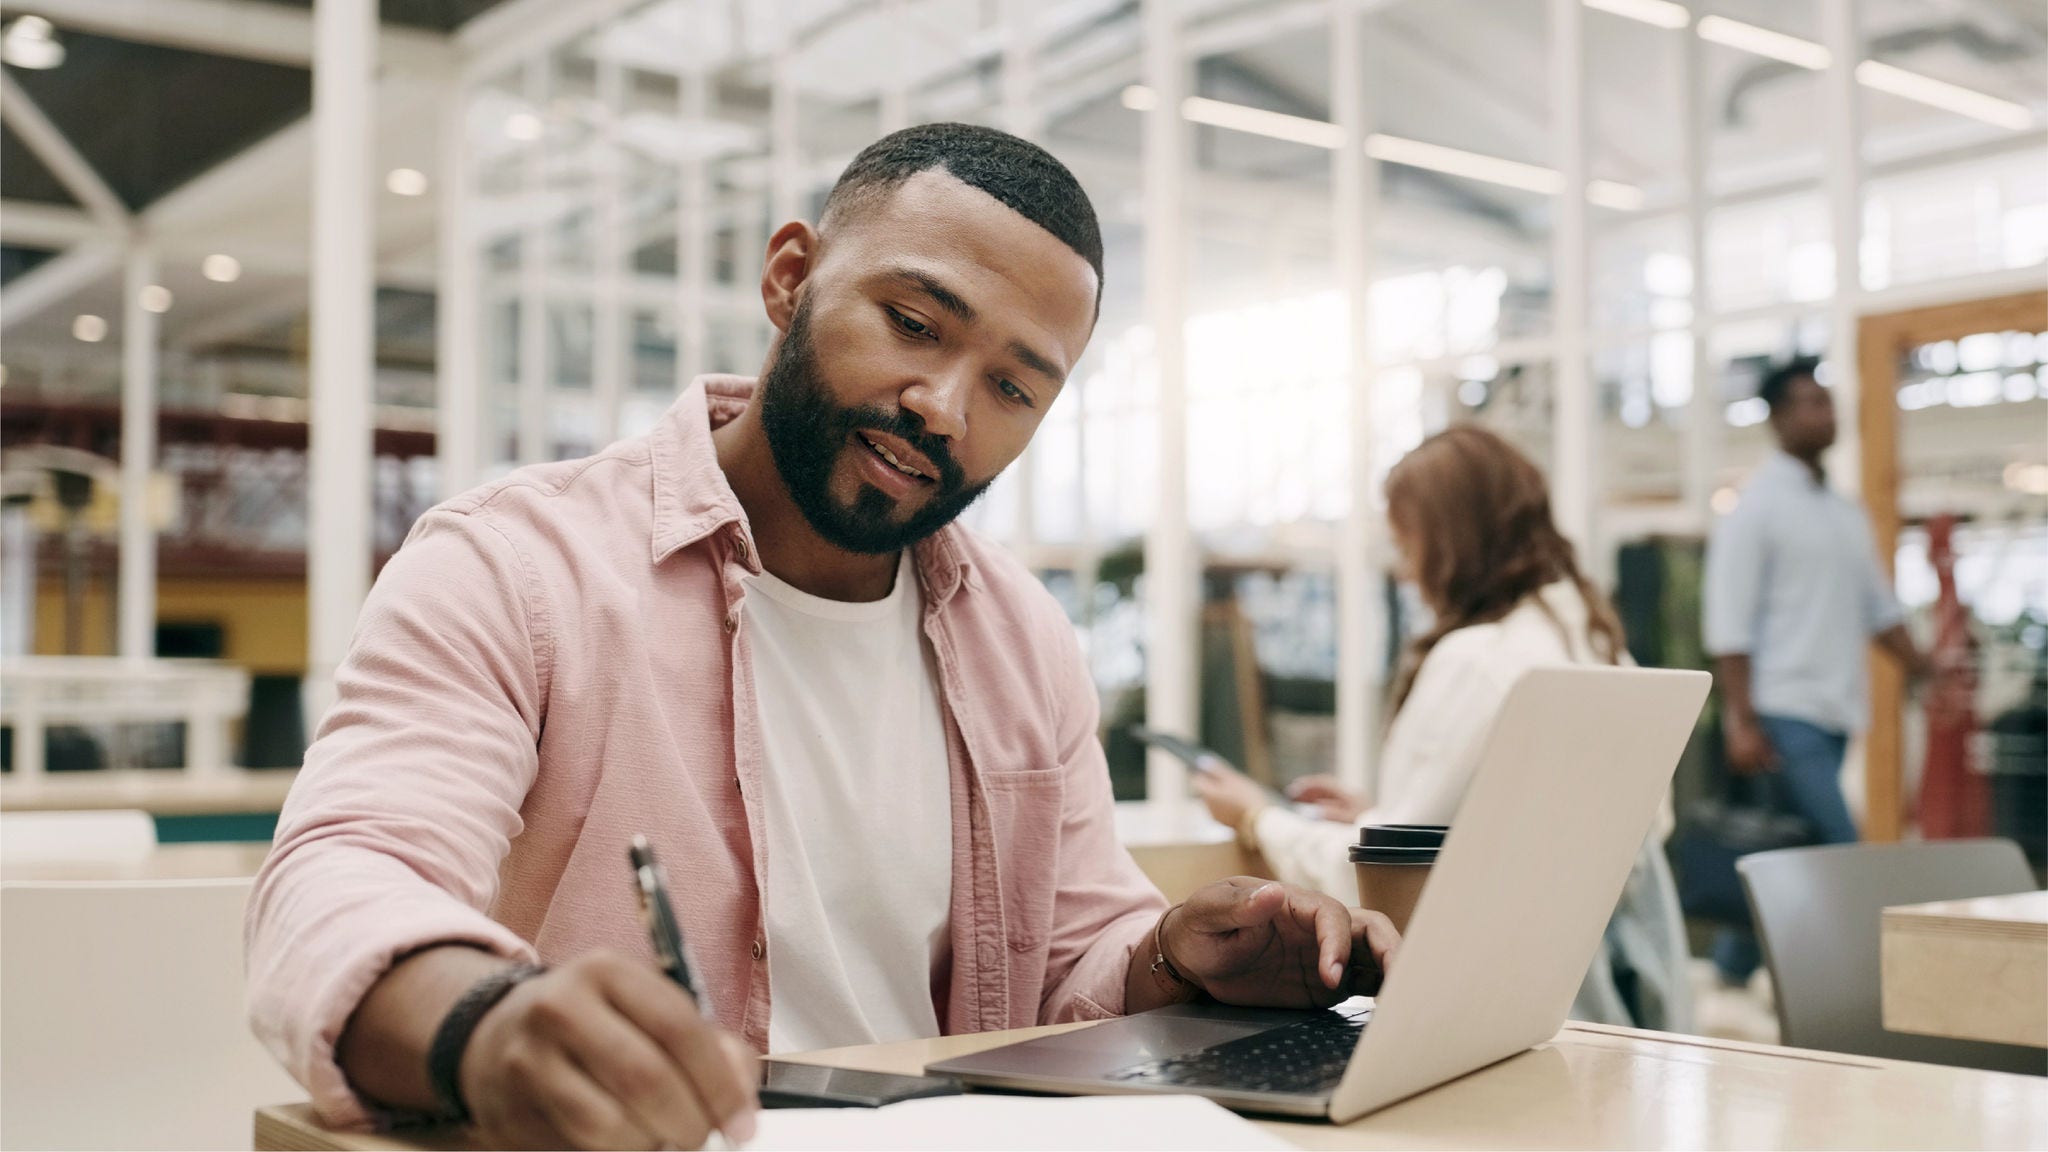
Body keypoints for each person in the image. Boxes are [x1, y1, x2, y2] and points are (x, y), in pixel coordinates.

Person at [245, 123, 1396, 1152]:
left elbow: (1069, 961)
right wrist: (483, 1029)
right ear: (789, 278)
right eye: (911, 323)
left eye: (1010, 388)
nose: (942, 406)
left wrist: (1174, 961)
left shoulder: (1021, 641)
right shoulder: (514, 564)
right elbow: (347, 878)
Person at [1192, 425, 1694, 1032]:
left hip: (1482, 1007)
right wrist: (1380, 812)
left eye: (1408, 545)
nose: (1405, 572)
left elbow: (1394, 888)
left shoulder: (1476, 660)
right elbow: (1596, 831)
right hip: (1598, 995)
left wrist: (1256, 816)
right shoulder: (1590, 639)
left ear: (1450, 540)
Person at [1701, 356, 1923, 987]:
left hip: (1835, 709)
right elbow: (1729, 625)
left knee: (1781, 847)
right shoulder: (1756, 509)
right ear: (1776, 418)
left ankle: (1728, 970)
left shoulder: (1843, 513)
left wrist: (1924, 669)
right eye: (1810, 403)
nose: (1826, 413)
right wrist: (1740, 721)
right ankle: (1863, 987)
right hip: (1781, 710)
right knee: (1838, 846)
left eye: (1827, 401)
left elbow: (1879, 610)